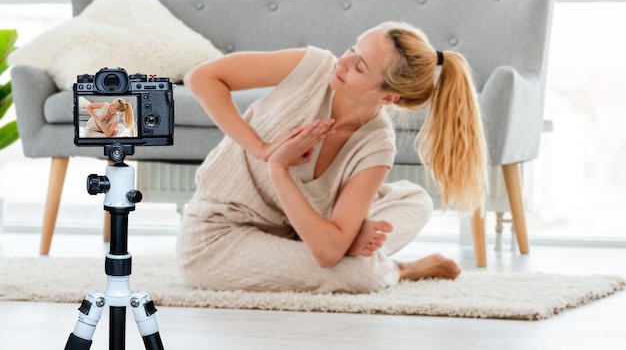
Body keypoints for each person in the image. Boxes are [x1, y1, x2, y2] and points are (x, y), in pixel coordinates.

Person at [176, 21, 488, 293]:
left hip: (300, 236)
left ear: (388, 96)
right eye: (353, 48)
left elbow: (326, 253)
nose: (343, 61)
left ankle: (347, 241)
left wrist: (282, 172)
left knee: (416, 200)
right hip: (217, 238)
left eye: (360, 65)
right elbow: (201, 77)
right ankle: (400, 269)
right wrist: (265, 153)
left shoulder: (377, 143)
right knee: (360, 275)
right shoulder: (313, 66)